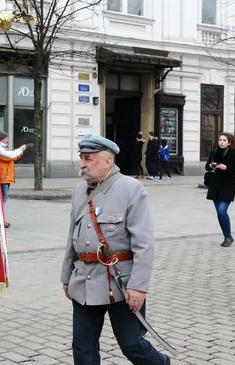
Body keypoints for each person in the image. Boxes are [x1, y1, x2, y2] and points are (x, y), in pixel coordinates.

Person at [60, 134, 169, 365]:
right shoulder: (80, 190)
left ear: (107, 161)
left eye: (88, 158)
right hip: (84, 281)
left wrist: (139, 286)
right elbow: (72, 237)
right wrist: (66, 276)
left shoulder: (131, 188)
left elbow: (144, 243)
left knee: (132, 345)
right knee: (83, 348)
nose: (82, 163)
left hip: (120, 282)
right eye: (81, 158)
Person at [205, 132, 235, 247]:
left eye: (224, 140)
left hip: (227, 186)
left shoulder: (232, 154)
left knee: (222, 211)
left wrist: (226, 168)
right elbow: (207, 166)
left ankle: (228, 236)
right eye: (220, 140)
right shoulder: (214, 152)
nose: (221, 142)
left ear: (229, 143)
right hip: (215, 185)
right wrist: (211, 165)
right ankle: (227, 236)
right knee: (219, 213)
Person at [0, 130, 26, 228]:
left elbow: (12, 157)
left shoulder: (2, 147)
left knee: (2, 199)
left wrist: (20, 152)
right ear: (2, 139)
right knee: (2, 199)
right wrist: (20, 149)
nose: (8, 140)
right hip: (3, 177)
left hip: (6, 177)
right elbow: (10, 157)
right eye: (6, 138)